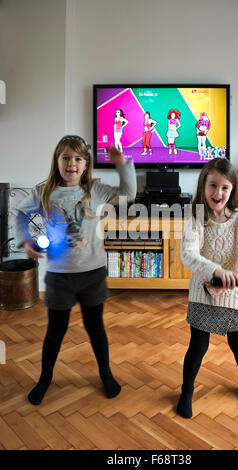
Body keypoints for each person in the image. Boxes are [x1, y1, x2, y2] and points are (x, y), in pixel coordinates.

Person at [15, 135, 136, 405]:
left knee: (96, 329)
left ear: (86, 164)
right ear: (57, 161)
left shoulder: (96, 191)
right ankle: (45, 378)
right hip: (59, 277)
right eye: (66, 157)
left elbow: (129, 194)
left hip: (92, 274)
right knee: (55, 331)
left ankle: (105, 373)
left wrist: (123, 164)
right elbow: (21, 214)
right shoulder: (44, 192)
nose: (72, 163)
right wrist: (25, 240)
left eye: (78, 159)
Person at [177, 158, 238, 419]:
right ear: (203, 186)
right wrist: (216, 271)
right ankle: (186, 390)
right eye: (212, 186)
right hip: (203, 292)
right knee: (198, 346)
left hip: (235, 294)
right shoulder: (196, 218)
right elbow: (188, 254)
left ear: (233, 190)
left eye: (225, 188)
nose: (218, 193)